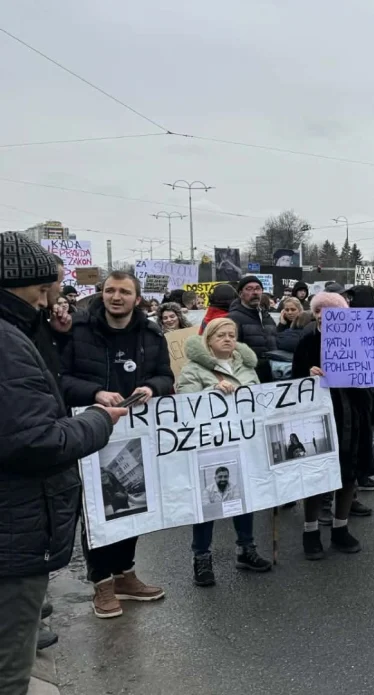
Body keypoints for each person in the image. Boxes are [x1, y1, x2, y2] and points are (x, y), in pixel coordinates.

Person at [0, 233, 121, 694]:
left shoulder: (22, 331)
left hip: (14, 524)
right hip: (14, 526)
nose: (52, 294)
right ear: (26, 285)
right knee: (9, 673)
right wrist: (98, 421)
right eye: (47, 286)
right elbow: (36, 441)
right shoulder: (8, 343)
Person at [58, 271, 174, 619]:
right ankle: (102, 583)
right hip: (89, 431)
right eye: (110, 290)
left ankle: (125, 574)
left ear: (137, 298)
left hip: (134, 434)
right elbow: (59, 379)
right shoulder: (77, 331)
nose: (116, 296)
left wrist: (152, 388)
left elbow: (167, 376)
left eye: (124, 291)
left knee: (131, 505)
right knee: (96, 509)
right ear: (101, 295)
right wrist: (94, 393)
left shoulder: (152, 334)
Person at [175, 317, 272, 585]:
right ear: (208, 341)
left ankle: (246, 548)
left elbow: (261, 399)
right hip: (210, 447)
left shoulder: (247, 366)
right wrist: (212, 393)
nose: (228, 339)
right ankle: (202, 557)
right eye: (221, 336)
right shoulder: (194, 369)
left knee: (244, 498)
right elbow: (184, 403)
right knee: (208, 504)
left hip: (241, 443)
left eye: (232, 335)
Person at [291, 292, 368, 556]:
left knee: (349, 473)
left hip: (351, 413)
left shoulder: (356, 340)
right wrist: (307, 374)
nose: (323, 315)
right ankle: (310, 532)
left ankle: (340, 529)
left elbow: (373, 371)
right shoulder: (307, 341)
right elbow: (293, 381)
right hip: (319, 416)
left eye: (330, 310)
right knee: (317, 474)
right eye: (319, 310)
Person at [227, 276, 279, 382]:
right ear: (241, 294)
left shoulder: (266, 316)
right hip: (248, 377)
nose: (255, 292)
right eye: (249, 289)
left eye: (258, 288)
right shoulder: (233, 318)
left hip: (271, 375)